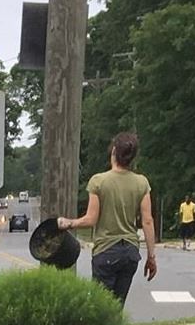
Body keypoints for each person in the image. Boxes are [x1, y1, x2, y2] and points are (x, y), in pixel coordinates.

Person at [57, 133, 158, 312]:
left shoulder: (99, 181)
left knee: (100, 307)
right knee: (117, 305)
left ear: (113, 152)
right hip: (130, 252)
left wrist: (68, 223)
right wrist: (151, 257)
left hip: (106, 250)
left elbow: (91, 219)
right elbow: (148, 221)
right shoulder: (142, 183)